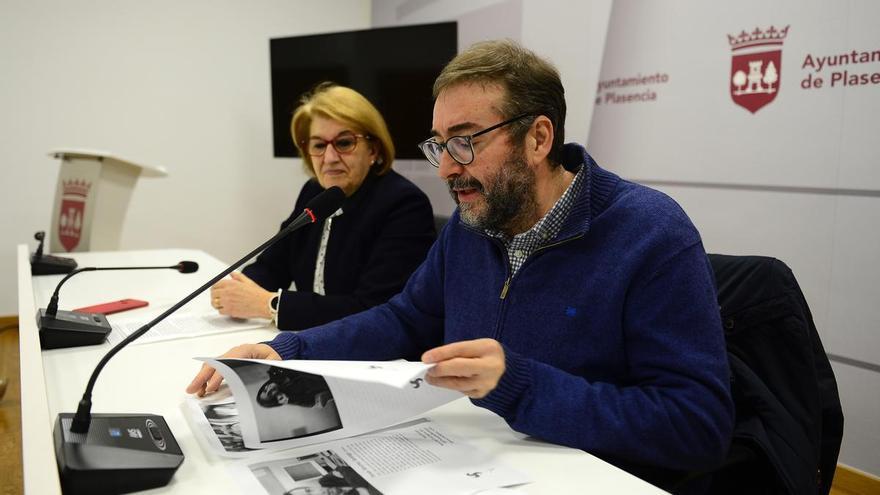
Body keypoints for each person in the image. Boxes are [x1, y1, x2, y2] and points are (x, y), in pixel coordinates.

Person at [189, 40, 734, 488]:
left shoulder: (650, 233)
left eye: (466, 142)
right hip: (475, 462)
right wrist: (285, 350)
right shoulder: (472, 224)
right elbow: (403, 319)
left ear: (539, 137)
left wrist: (518, 384)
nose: (447, 168)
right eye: (440, 145)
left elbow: (696, 425)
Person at [210, 83, 436, 330]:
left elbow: (374, 308)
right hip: (313, 342)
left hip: (376, 358)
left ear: (373, 149)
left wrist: (271, 304)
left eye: (344, 143)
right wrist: (236, 290)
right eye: (318, 145)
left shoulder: (404, 205)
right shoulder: (315, 193)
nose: (329, 158)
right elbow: (274, 265)